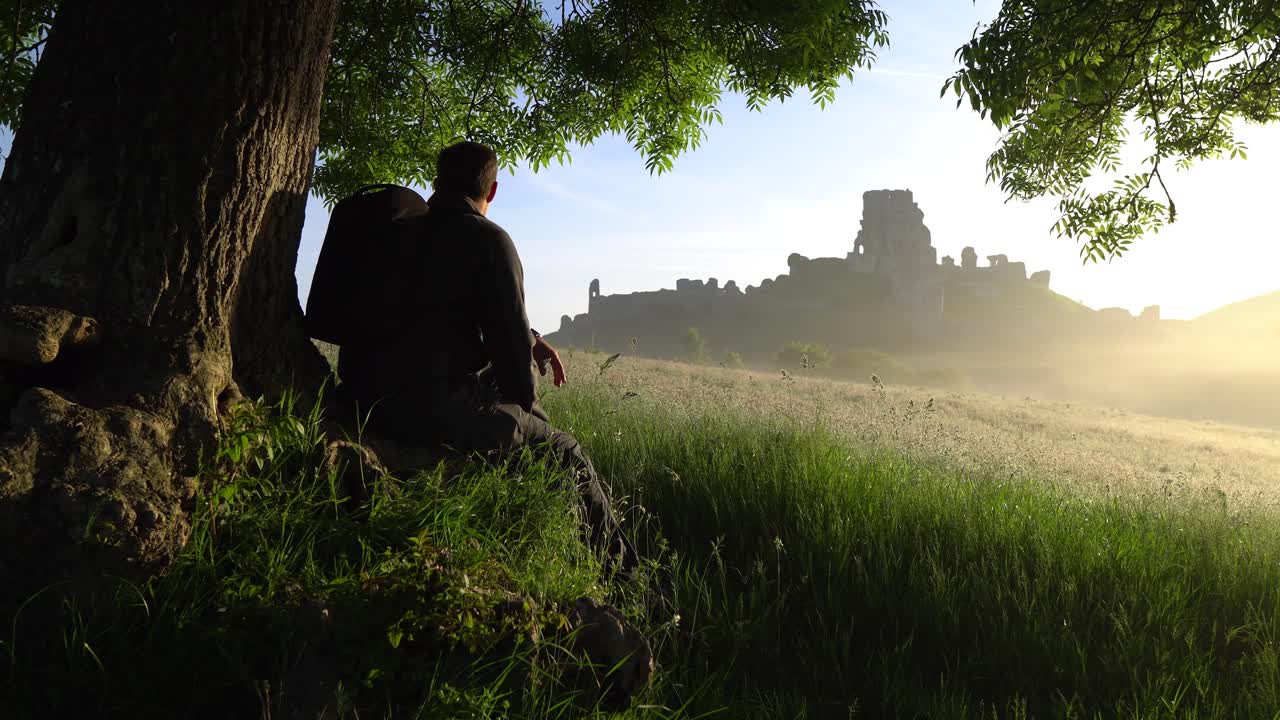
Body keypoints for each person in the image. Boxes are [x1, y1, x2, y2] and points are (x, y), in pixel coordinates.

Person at [336, 141, 638, 579]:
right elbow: (517, 374)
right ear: (492, 191)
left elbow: (434, 311)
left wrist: (527, 336)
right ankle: (627, 579)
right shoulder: (489, 240)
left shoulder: (398, 231)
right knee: (564, 450)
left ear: (436, 182)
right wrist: (532, 418)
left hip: (365, 395)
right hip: (427, 410)